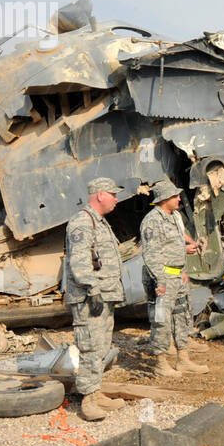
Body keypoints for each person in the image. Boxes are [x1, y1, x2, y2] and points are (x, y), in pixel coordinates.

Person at [62, 177, 126, 421]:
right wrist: (93, 289)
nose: (116, 199)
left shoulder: (99, 222)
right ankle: (88, 401)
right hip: (90, 298)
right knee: (90, 346)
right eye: (113, 194)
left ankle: (96, 392)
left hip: (103, 295)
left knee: (101, 345)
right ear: (100, 195)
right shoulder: (82, 221)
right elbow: (79, 261)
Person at [139, 180, 208, 377]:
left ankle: (183, 359)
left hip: (177, 276)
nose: (179, 198)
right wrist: (160, 281)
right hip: (163, 277)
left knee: (181, 315)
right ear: (164, 199)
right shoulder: (152, 222)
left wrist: (184, 268)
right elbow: (151, 255)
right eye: (175, 196)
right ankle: (160, 363)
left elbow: (178, 239)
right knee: (161, 319)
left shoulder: (175, 216)